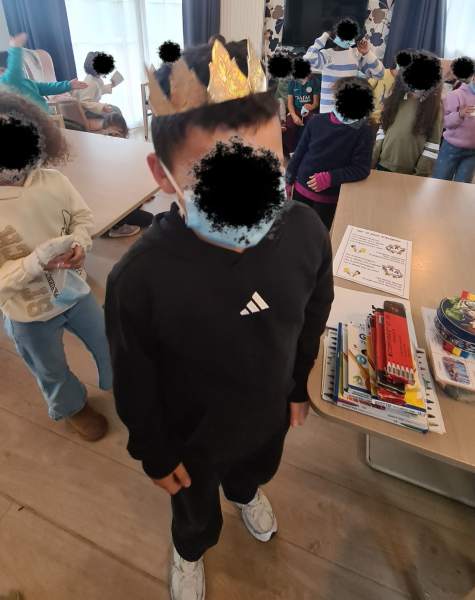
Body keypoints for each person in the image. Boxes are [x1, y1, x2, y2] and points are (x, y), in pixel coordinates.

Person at [105, 38, 334, 600]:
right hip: (191, 436)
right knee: (194, 510)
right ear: (164, 175)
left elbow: (314, 308)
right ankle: (190, 549)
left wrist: (297, 385)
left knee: (254, 471)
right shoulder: (139, 280)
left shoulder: (306, 232)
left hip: (268, 411)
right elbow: (134, 380)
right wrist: (154, 451)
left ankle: (246, 491)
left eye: (263, 166)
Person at [0, 89, 110, 442]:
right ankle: (72, 406)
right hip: (28, 312)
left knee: (107, 338)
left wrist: (80, 242)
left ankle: (123, 381)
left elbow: (82, 216)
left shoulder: (53, 181)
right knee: (49, 368)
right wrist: (32, 264)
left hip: (74, 290)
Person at [285, 76, 374, 230]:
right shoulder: (316, 121)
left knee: (318, 233)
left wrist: (330, 178)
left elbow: (361, 169)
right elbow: (299, 153)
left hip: (327, 198)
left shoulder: (363, 131)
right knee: (297, 229)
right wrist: (288, 179)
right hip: (300, 190)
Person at [373, 50, 444, 177]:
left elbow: (432, 145)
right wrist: (374, 157)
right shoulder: (396, 99)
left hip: (410, 172)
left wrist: (421, 173)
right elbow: (383, 128)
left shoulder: (435, 108)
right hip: (383, 164)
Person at [0, 33, 87, 131]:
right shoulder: (5, 84)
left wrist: (68, 85)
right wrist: (15, 48)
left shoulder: (25, 81)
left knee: (80, 126)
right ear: (2, 71)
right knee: (77, 130)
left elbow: (46, 87)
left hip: (47, 117)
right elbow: (14, 71)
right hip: (36, 123)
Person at [304, 18, 384, 113]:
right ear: (336, 34)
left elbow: (380, 74)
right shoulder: (326, 55)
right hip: (327, 111)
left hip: (348, 110)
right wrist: (323, 38)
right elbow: (308, 60)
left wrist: (367, 53)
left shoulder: (356, 54)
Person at [433, 57, 475, 183]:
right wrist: (459, 115)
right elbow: (444, 122)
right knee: (440, 182)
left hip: (472, 151)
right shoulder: (456, 95)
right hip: (451, 146)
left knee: (463, 185)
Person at [73, 51, 122, 120]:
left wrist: (110, 86)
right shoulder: (90, 82)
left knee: (116, 110)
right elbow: (84, 102)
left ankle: (119, 127)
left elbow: (98, 90)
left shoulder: (95, 79)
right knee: (115, 112)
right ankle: (119, 126)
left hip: (89, 110)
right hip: (86, 112)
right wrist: (102, 107)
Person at [285, 57, 320, 153]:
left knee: (314, 124)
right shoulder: (292, 82)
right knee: (290, 126)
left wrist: (311, 106)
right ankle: (292, 152)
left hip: (309, 110)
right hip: (295, 110)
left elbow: (316, 103)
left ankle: (311, 151)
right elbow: (290, 103)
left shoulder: (314, 81)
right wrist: (294, 116)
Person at [367, 67, 398, 138]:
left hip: (387, 124)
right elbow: (365, 91)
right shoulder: (382, 73)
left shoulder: (404, 83)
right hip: (370, 120)